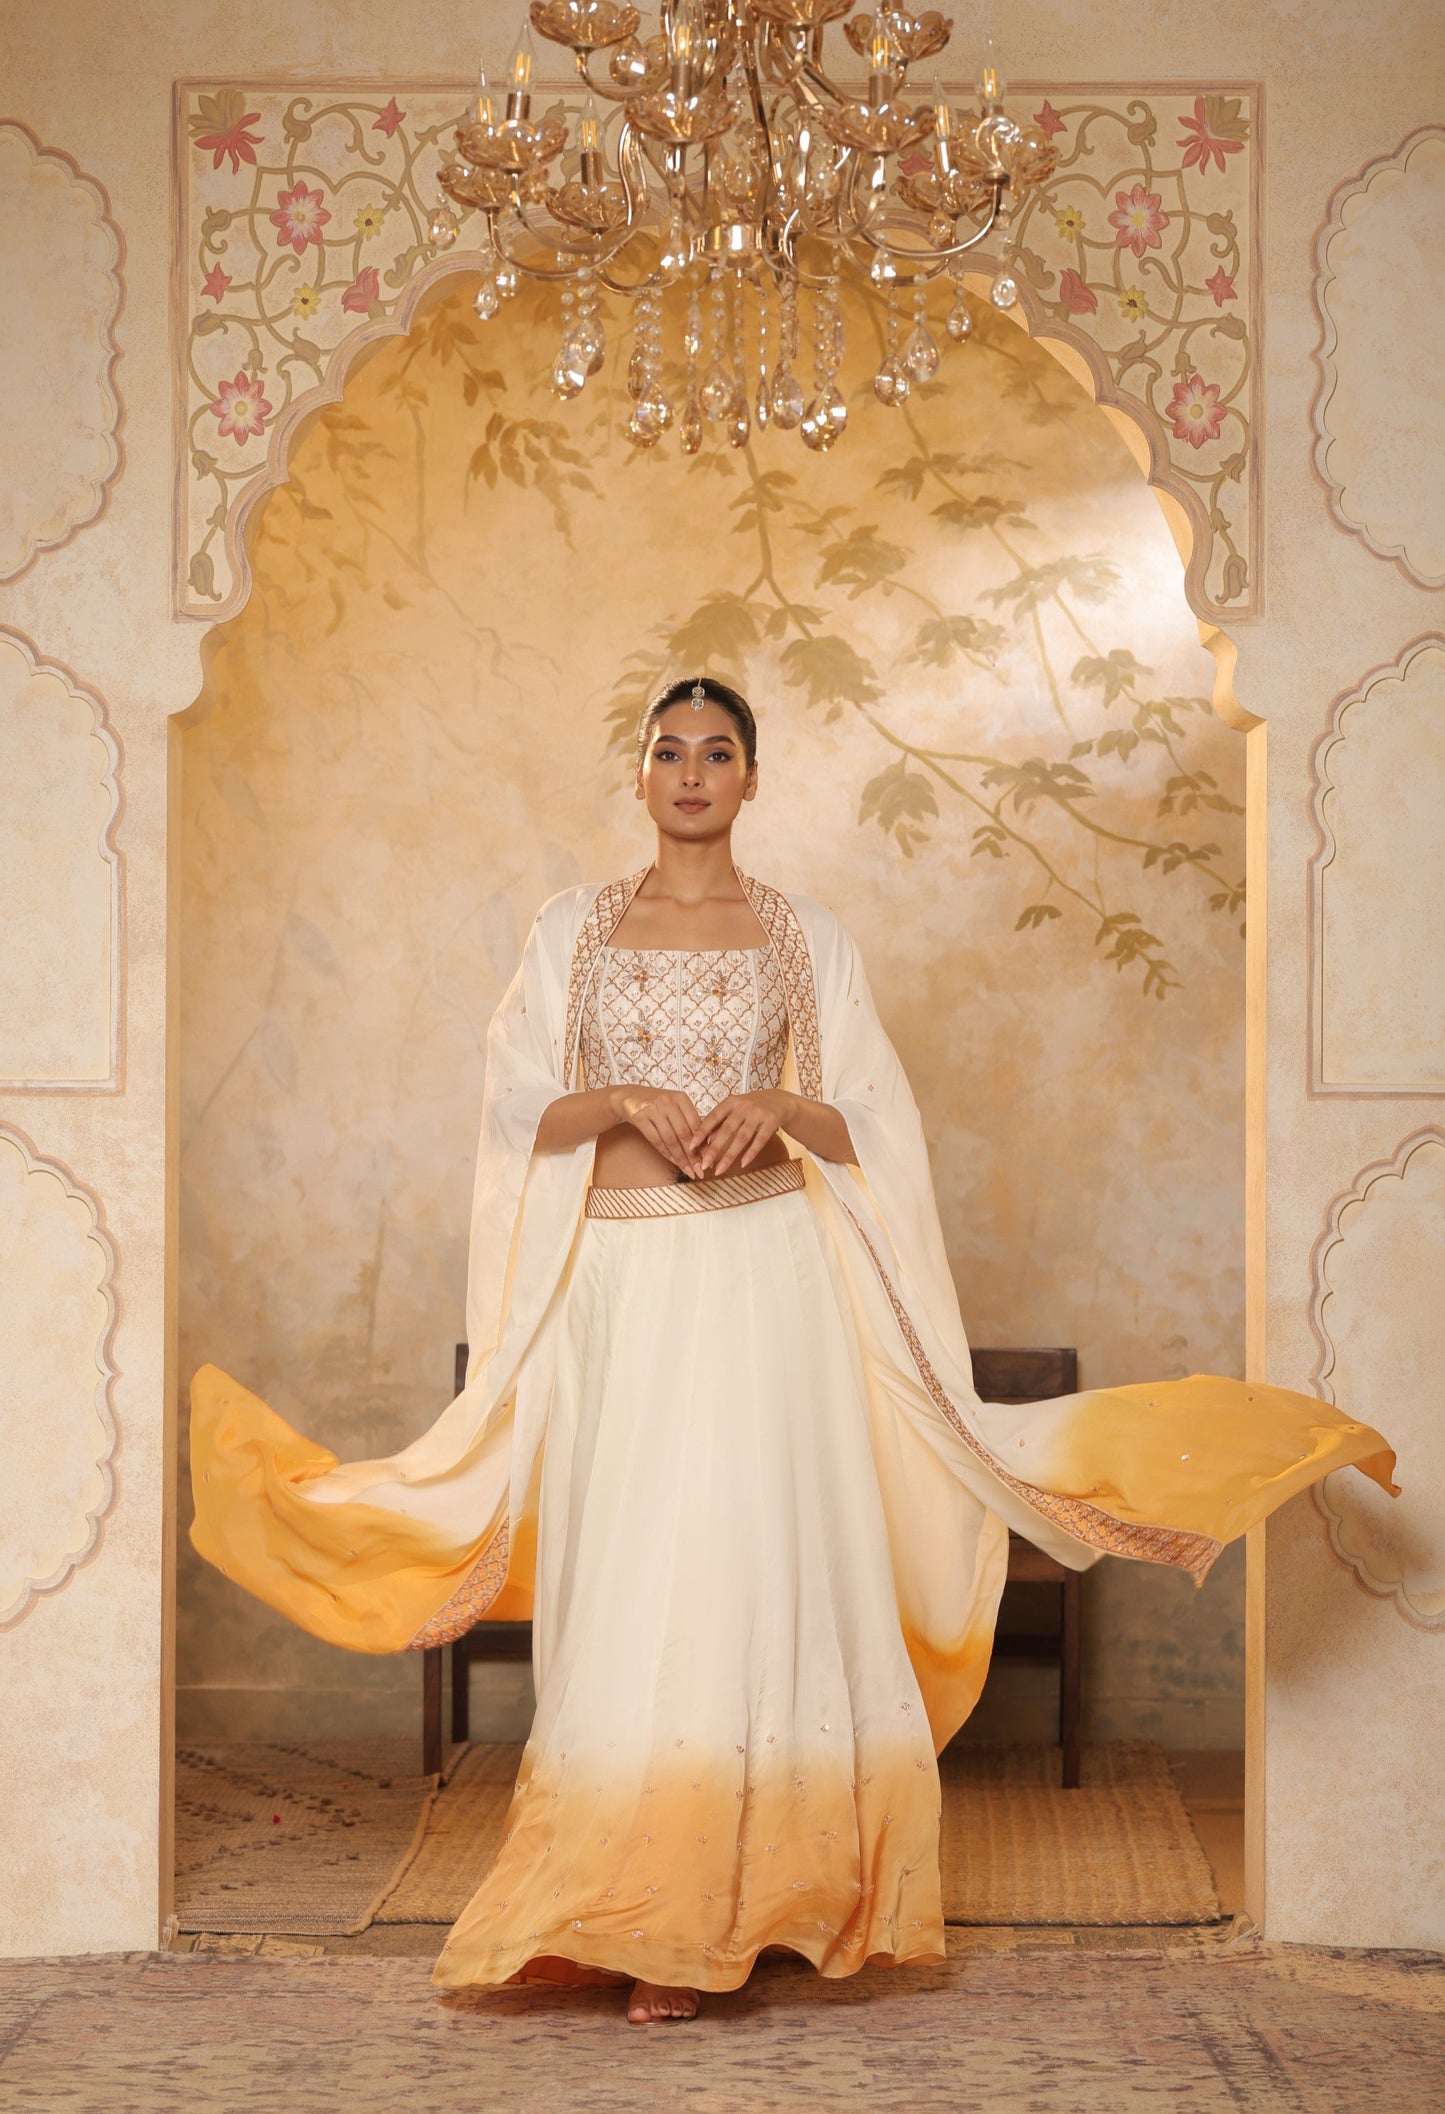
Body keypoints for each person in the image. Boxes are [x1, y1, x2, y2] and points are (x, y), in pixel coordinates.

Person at [190, 675, 1395, 2025]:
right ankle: (639, 1905)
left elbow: (873, 1115)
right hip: (622, 1289)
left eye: (717, 752)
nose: (690, 772)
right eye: (667, 751)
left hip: (769, 1286)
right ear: (637, 777)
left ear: (751, 780)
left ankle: (768, 1904)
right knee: (642, 1582)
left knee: (755, 1568)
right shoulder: (570, 931)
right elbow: (515, 1100)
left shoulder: (801, 936)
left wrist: (780, 1102)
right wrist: (620, 1096)